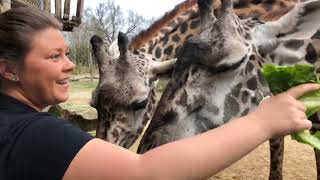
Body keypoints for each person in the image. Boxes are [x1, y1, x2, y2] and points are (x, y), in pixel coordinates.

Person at [0, 7, 318, 180]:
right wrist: (262, 123)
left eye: (67, 53)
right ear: (9, 70)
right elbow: (146, 173)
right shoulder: (34, 135)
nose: (70, 65)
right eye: (54, 57)